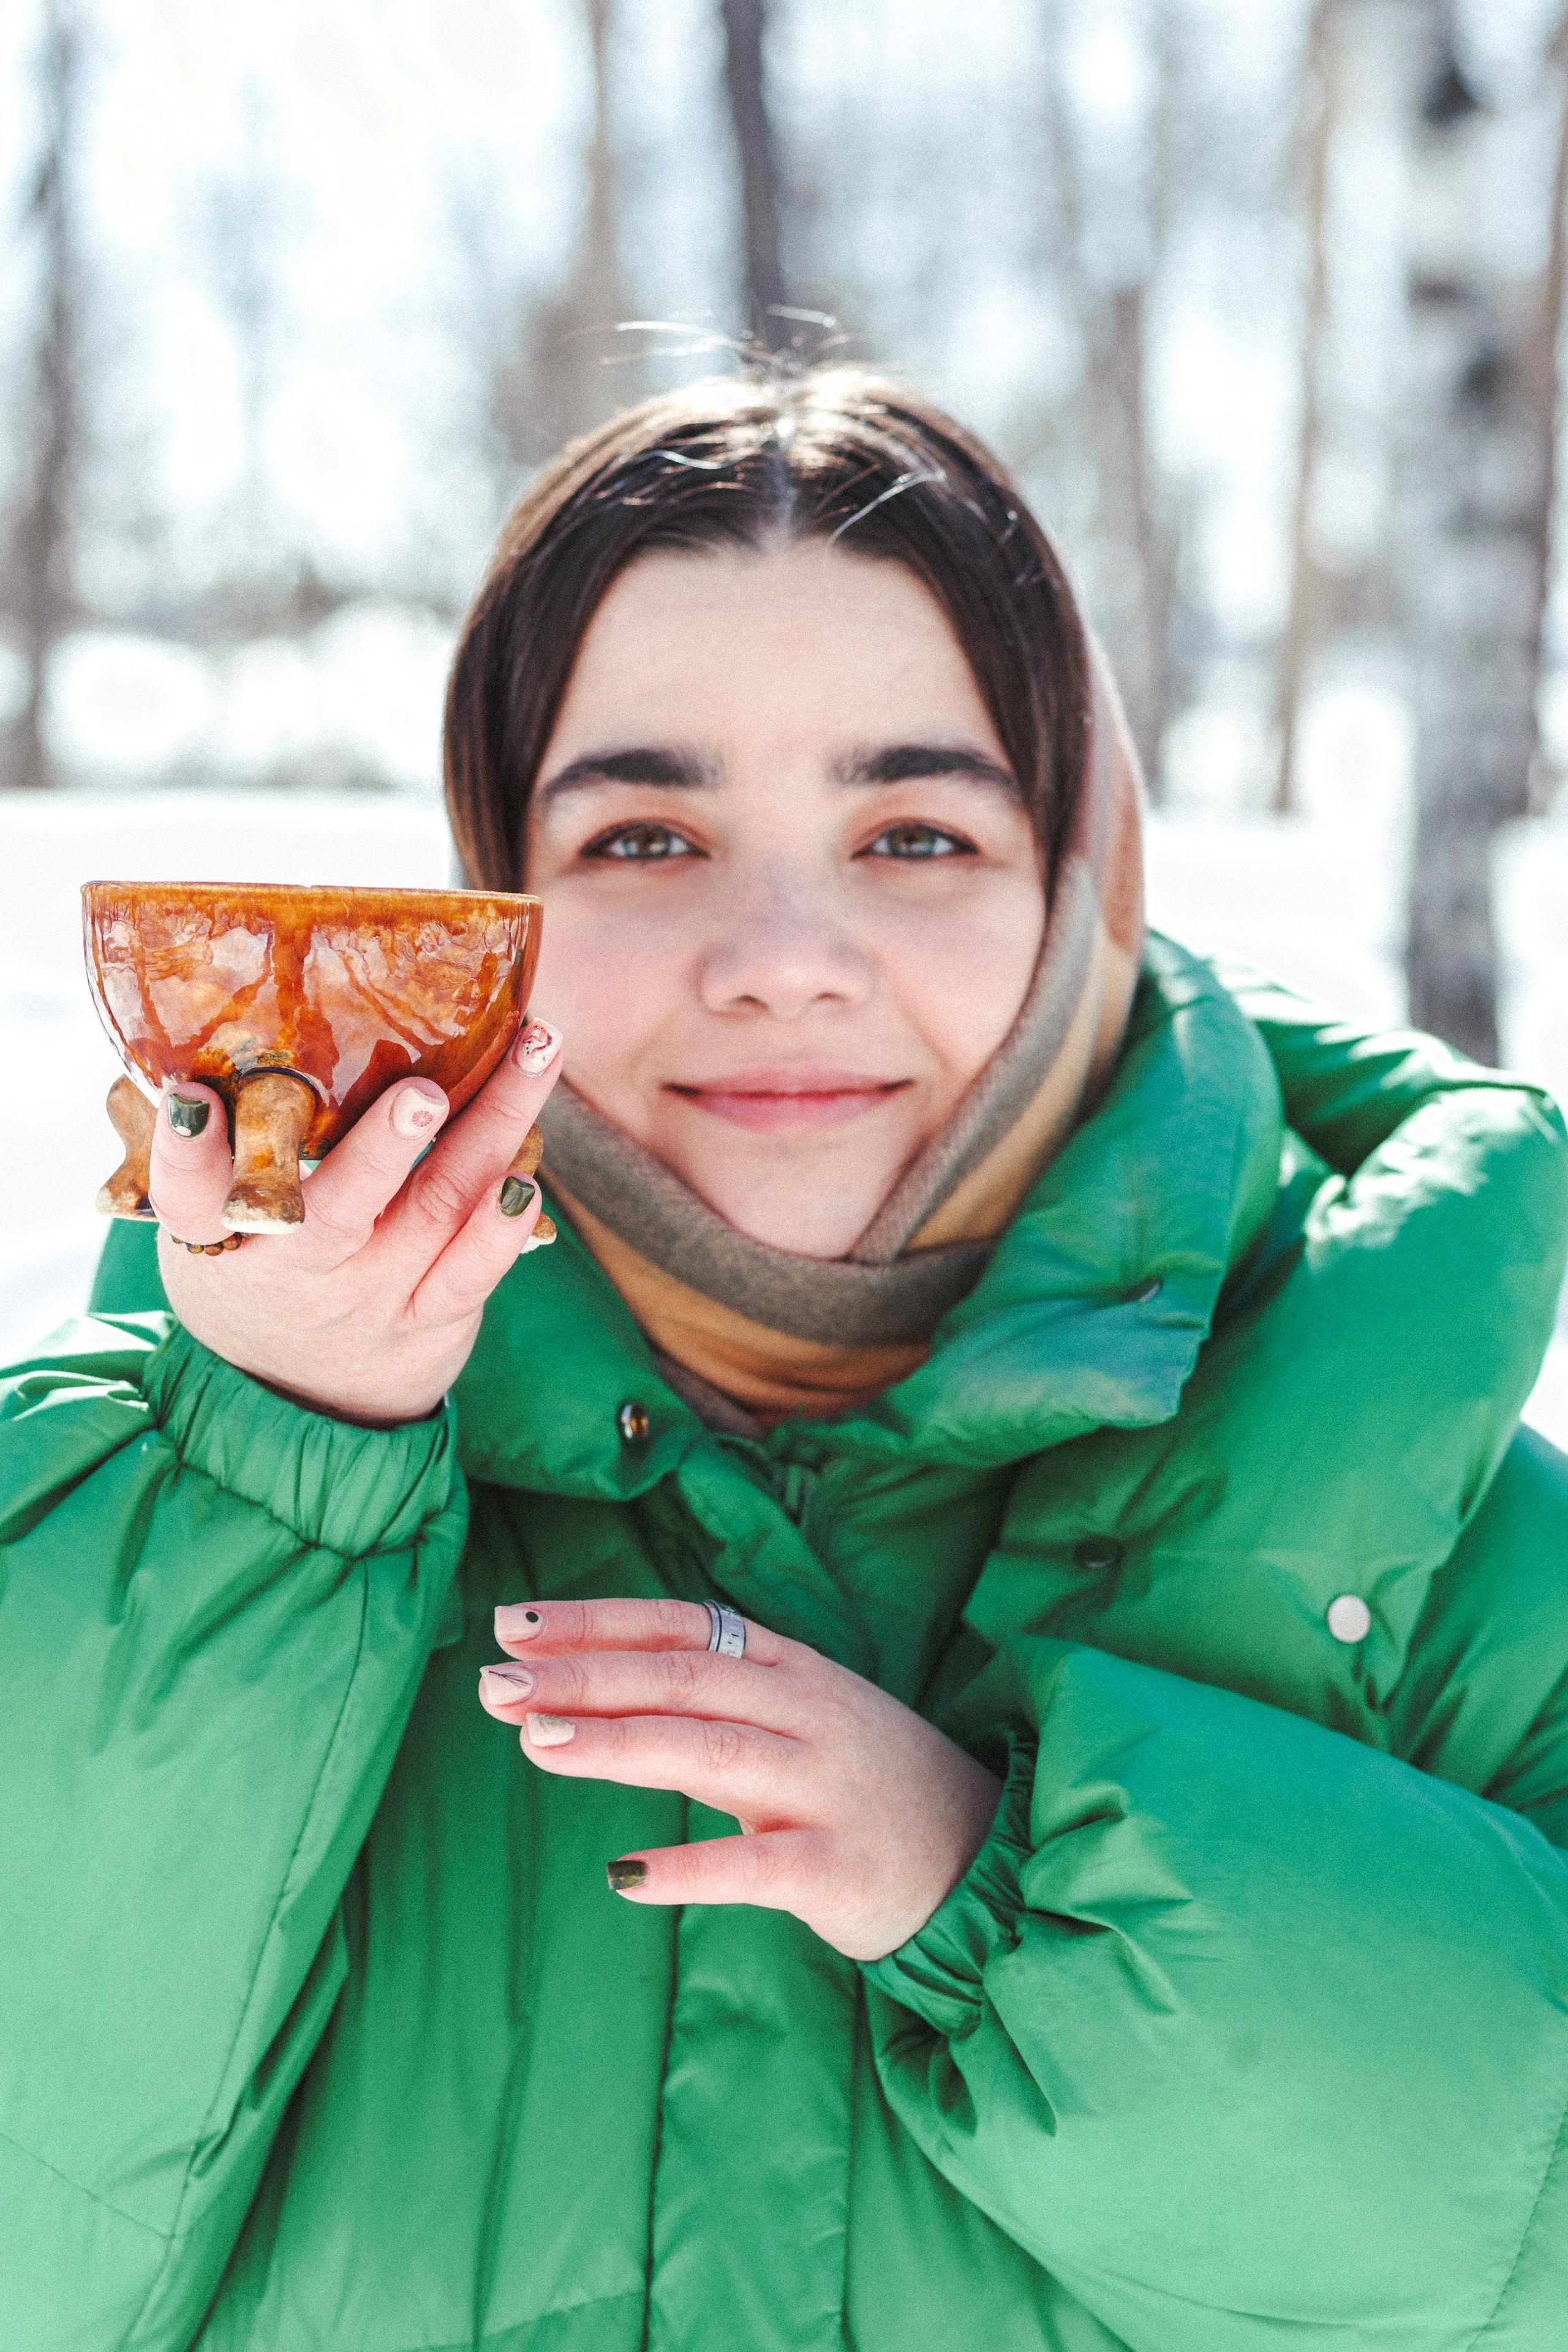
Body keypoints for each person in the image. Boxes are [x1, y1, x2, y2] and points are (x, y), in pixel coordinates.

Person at [4, 368, 1568, 2352]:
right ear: (494, 901)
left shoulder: (1437, 1526)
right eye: (646, 840)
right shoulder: (152, 1467)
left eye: (915, 834)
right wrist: (255, 1475)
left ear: (1081, 879)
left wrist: (1020, 1903)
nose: (779, 953)